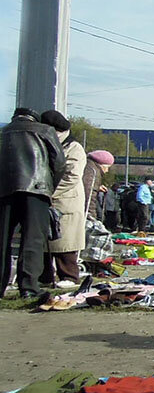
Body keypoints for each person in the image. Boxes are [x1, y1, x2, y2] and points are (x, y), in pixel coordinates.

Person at [0, 108, 65, 298]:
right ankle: (28, 287)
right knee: (33, 239)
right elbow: (59, 162)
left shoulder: (3, 133)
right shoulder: (44, 131)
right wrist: (50, 186)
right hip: (37, 189)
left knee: (3, 239)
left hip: (5, 190)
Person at [38, 110, 86, 285]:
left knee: (65, 243)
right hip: (48, 201)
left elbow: (72, 176)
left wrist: (49, 192)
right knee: (45, 243)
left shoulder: (74, 148)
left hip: (66, 201)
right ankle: (44, 277)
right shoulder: (48, 144)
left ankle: (69, 276)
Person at [84, 150, 114, 221]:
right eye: (107, 167)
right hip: (85, 212)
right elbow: (89, 194)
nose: (107, 171)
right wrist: (91, 216)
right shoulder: (93, 172)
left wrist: (97, 187)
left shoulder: (88, 167)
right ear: (102, 164)